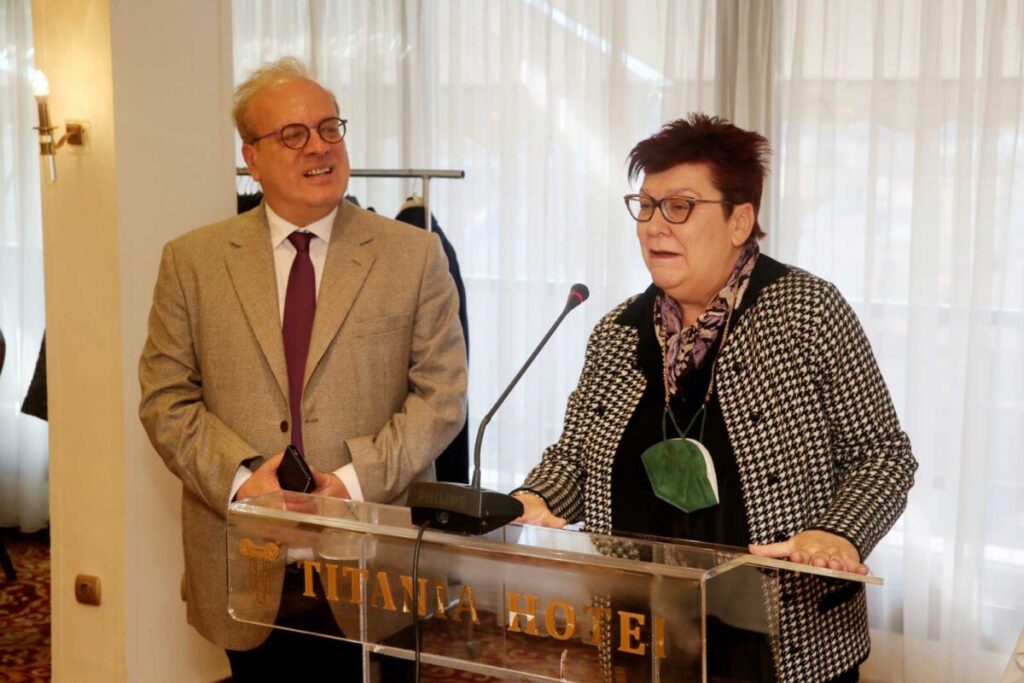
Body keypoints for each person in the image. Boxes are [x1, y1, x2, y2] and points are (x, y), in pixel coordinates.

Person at [512, 114, 917, 682]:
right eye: (645, 206)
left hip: (781, 644)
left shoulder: (807, 312)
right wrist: (532, 497)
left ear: (739, 221)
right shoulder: (618, 331)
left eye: (679, 206)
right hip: (643, 638)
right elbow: (576, 460)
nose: (654, 226)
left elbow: (882, 456)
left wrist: (837, 534)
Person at [138, 58, 467, 679]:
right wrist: (243, 480)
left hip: (375, 562)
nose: (318, 146)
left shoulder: (413, 254)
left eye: (329, 127)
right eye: (293, 134)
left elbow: (441, 397)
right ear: (252, 157)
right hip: (243, 563)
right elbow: (165, 399)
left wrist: (351, 482)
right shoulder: (193, 262)